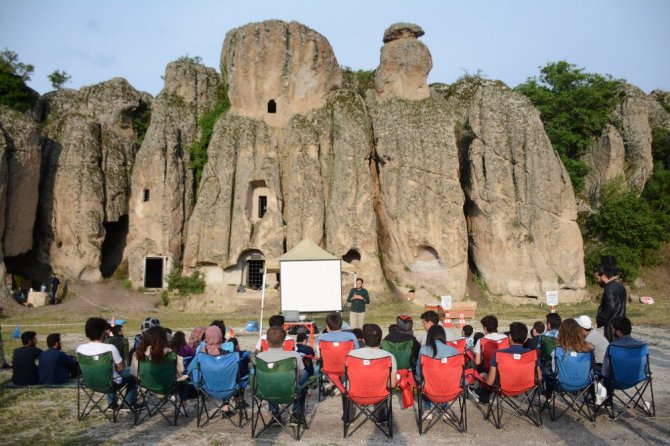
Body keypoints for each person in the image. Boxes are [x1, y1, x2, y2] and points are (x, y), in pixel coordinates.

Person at [76, 317, 136, 409]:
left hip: (89, 383)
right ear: (103, 332)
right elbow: (121, 368)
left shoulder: (80, 349)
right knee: (133, 373)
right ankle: (129, 402)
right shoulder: (110, 348)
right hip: (109, 384)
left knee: (109, 373)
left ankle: (112, 403)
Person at [255, 326, 307, 426]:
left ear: (266, 341)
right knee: (304, 373)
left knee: (270, 379)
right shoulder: (294, 356)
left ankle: (275, 413)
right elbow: (300, 374)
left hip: (266, 392)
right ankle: (296, 413)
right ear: (284, 342)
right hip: (290, 391)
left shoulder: (259, 357)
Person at [478, 322, 541, 404]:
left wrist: (484, 376)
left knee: (483, 374)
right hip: (526, 387)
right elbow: (539, 377)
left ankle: (483, 399)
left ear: (509, 337)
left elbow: (490, 382)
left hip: (504, 389)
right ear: (526, 339)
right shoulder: (532, 353)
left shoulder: (498, 354)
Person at [347, 324, 397, 422]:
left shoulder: (351, 355)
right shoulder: (389, 357)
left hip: (355, 394)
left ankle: (348, 416)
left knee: (347, 381)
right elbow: (392, 384)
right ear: (381, 339)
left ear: (364, 340)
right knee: (383, 382)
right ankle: (381, 416)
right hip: (379, 395)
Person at [600, 316, 646, 381]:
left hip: (618, 382)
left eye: (612, 328)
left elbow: (605, 371)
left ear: (618, 332)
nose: (611, 330)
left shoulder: (613, 347)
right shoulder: (642, 345)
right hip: (637, 379)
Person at [595, 263, 627, 342]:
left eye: (597, 278)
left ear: (603, 276)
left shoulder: (609, 289)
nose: (597, 281)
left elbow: (610, 307)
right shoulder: (621, 286)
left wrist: (600, 318)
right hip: (621, 322)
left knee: (612, 347)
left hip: (612, 325)